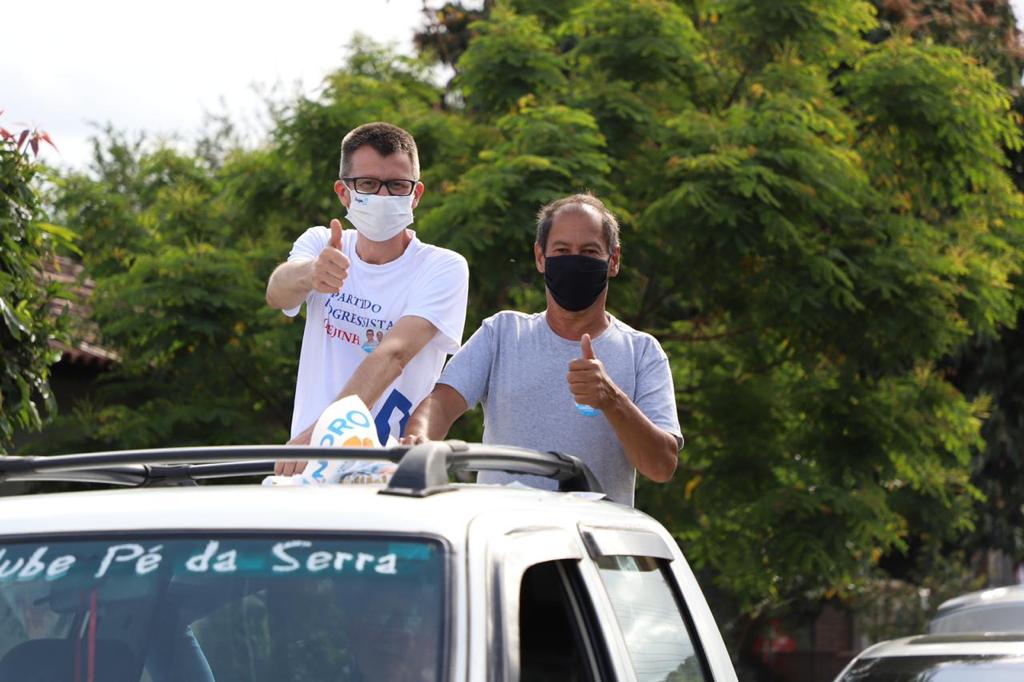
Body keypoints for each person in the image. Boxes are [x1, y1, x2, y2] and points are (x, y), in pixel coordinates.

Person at [403, 193, 680, 506]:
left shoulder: (643, 353)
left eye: (589, 252)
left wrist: (612, 400)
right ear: (540, 257)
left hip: (586, 547)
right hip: (503, 541)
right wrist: (419, 441)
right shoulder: (502, 334)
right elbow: (439, 404)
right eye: (562, 250)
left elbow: (661, 466)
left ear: (613, 260)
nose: (574, 261)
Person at [266, 122, 469, 474]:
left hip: (389, 476)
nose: (384, 196)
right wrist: (310, 274)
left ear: (416, 194)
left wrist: (321, 438)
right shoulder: (321, 244)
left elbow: (394, 354)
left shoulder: (442, 267)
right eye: (368, 184)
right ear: (344, 193)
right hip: (304, 473)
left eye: (397, 185)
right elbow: (276, 291)